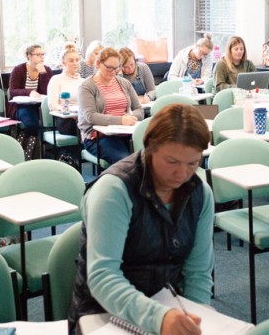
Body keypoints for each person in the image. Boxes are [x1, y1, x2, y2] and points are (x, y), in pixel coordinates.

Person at [68, 104, 214, 335]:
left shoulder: (200, 193)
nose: (182, 174)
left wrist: (197, 315)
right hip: (104, 313)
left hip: (168, 307)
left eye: (193, 163)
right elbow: (103, 277)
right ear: (149, 148)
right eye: (172, 162)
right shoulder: (114, 190)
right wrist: (159, 317)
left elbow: (199, 273)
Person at [78, 47, 144, 165]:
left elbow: (139, 110)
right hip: (98, 137)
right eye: (109, 68)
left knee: (150, 157)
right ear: (98, 63)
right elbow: (91, 116)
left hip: (126, 133)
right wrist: (121, 120)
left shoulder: (124, 83)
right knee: (126, 162)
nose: (113, 72)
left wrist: (131, 117)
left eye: (116, 68)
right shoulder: (87, 86)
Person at [8, 43, 53, 136]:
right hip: (22, 105)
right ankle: (29, 147)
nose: (41, 57)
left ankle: (44, 148)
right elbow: (13, 91)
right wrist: (29, 92)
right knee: (31, 124)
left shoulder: (47, 70)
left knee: (56, 121)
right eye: (38, 54)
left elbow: (47, 92)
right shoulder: (18, 70)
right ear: (29, 56)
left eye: (42, 54)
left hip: (41, 105)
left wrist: (43, 73)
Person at [47, 43, 85, 135]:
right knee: (86, 129)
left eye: (77, 60)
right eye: (71, 61)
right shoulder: (56, 80)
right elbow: (52, 105)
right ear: (64, 63)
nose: (75, 63)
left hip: (82, 117)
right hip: (66, 120)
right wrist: (68, 110)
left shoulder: (84, 81)